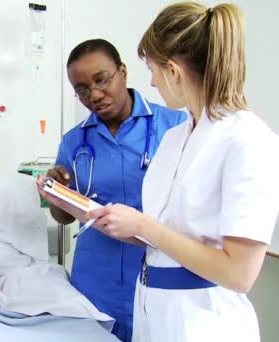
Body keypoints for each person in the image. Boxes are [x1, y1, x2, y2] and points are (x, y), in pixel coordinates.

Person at [83, 3, 279, 341]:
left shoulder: (247, 138)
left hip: (204, 320)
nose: (152, 82)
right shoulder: (177, 137)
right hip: (154, 306)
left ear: (173, 71)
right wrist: (121, 224)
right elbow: (167, 236)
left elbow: (239, 273)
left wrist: (144, 225)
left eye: (153, 69)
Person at [45, 39, 187, 341]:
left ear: (123, 72)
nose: (94, 95)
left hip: (155, 268)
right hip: (95, 276)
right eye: (82, 89)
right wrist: (57, 192)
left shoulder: (175, 125)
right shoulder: (74, 141)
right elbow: (63, 217)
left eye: (102, 80)